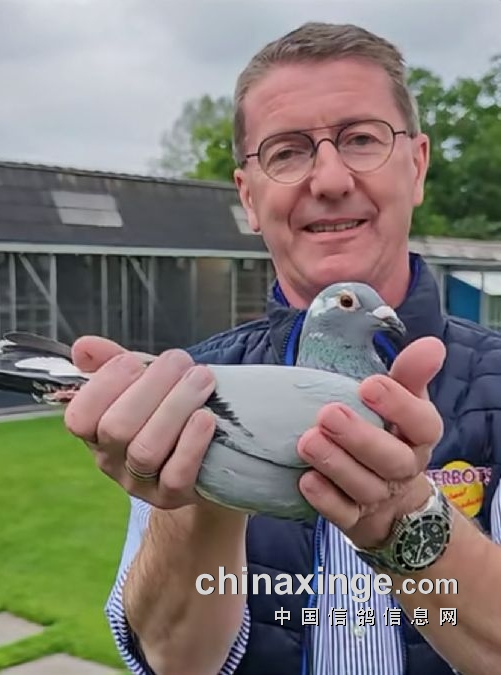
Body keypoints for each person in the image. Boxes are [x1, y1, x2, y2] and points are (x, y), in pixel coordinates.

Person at [64, 21, 501, 675]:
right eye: (287, 152)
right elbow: (175, 660)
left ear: (416, 165)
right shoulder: (187, 388)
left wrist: (404, 515)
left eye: (361, 139)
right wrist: (200, 487)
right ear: (248, 195)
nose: (329, 179)